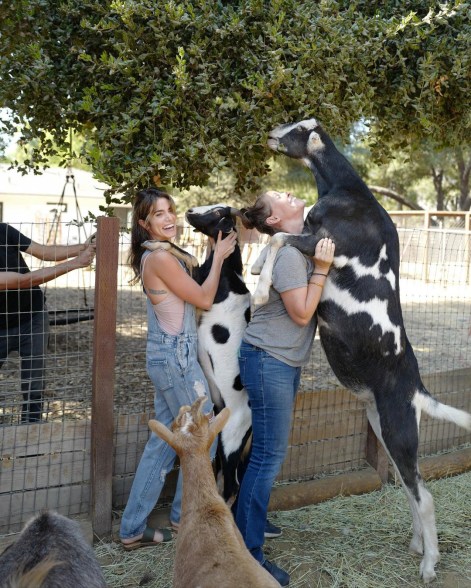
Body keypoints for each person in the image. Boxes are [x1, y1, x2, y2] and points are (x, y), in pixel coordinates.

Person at [119, 187, 237, 550]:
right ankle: (184, 516)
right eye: (158, 214)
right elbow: (202, 297)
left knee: (163, 443)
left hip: (169, 357)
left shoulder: (160, 254)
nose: (169, 218)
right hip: (177, 360)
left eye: (170, 210)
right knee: (202, 440)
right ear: (144, 223)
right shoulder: (159, 260)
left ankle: (133, 528)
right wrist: (217, 258)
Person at [235, 190, 335, 586]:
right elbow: (302, 312)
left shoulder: (290, 248)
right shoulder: (292, 257)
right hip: (268, 361)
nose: (287, 191)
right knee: (267, 458)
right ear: (274, 220)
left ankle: (244, 542)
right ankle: (249, 556)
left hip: (277, 361)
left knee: (262, 456)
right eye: (278, 196)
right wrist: (322, 269)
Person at [0, 222, 96, 423]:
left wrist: (83, 246)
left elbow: (43, 252)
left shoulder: (2, 230)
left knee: (34, 385)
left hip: (33, 316)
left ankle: (31, 435)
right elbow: (22, 281)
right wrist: (76, 263)